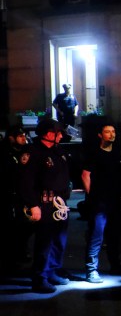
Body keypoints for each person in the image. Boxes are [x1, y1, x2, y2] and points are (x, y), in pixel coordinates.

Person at [18, 118, 72, 293]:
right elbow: (25, 182)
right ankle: (40, 277)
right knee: (44, 242)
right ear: (49, 133)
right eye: (58, 132)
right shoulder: (32, 152)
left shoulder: (58, 151)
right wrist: (33, 205)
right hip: (44, 202)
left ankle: (52, 270)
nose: (61, 135)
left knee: (59, 240)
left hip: (60, 203)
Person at [81, 120, 121, 282]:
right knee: (96, 235)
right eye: (108, 132)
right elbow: (85, 175)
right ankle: (91, 270)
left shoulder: (116, 152)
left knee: (114, 235)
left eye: (113, 131)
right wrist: (92, 196)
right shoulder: (94, 153)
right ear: (100, 135)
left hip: (114, 201)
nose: (112, 134)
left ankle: (115, 265)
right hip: (100, 202)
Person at [1, 125, 32, 275]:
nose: (23, 138)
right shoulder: (6, 153)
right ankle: (10, 258)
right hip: (9, 194)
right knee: (11, 226)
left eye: (24, 136)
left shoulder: (26, 151)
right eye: (20, 136)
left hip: (22, 193)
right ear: (11, 137)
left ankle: (20, 251)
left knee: (26, 224)